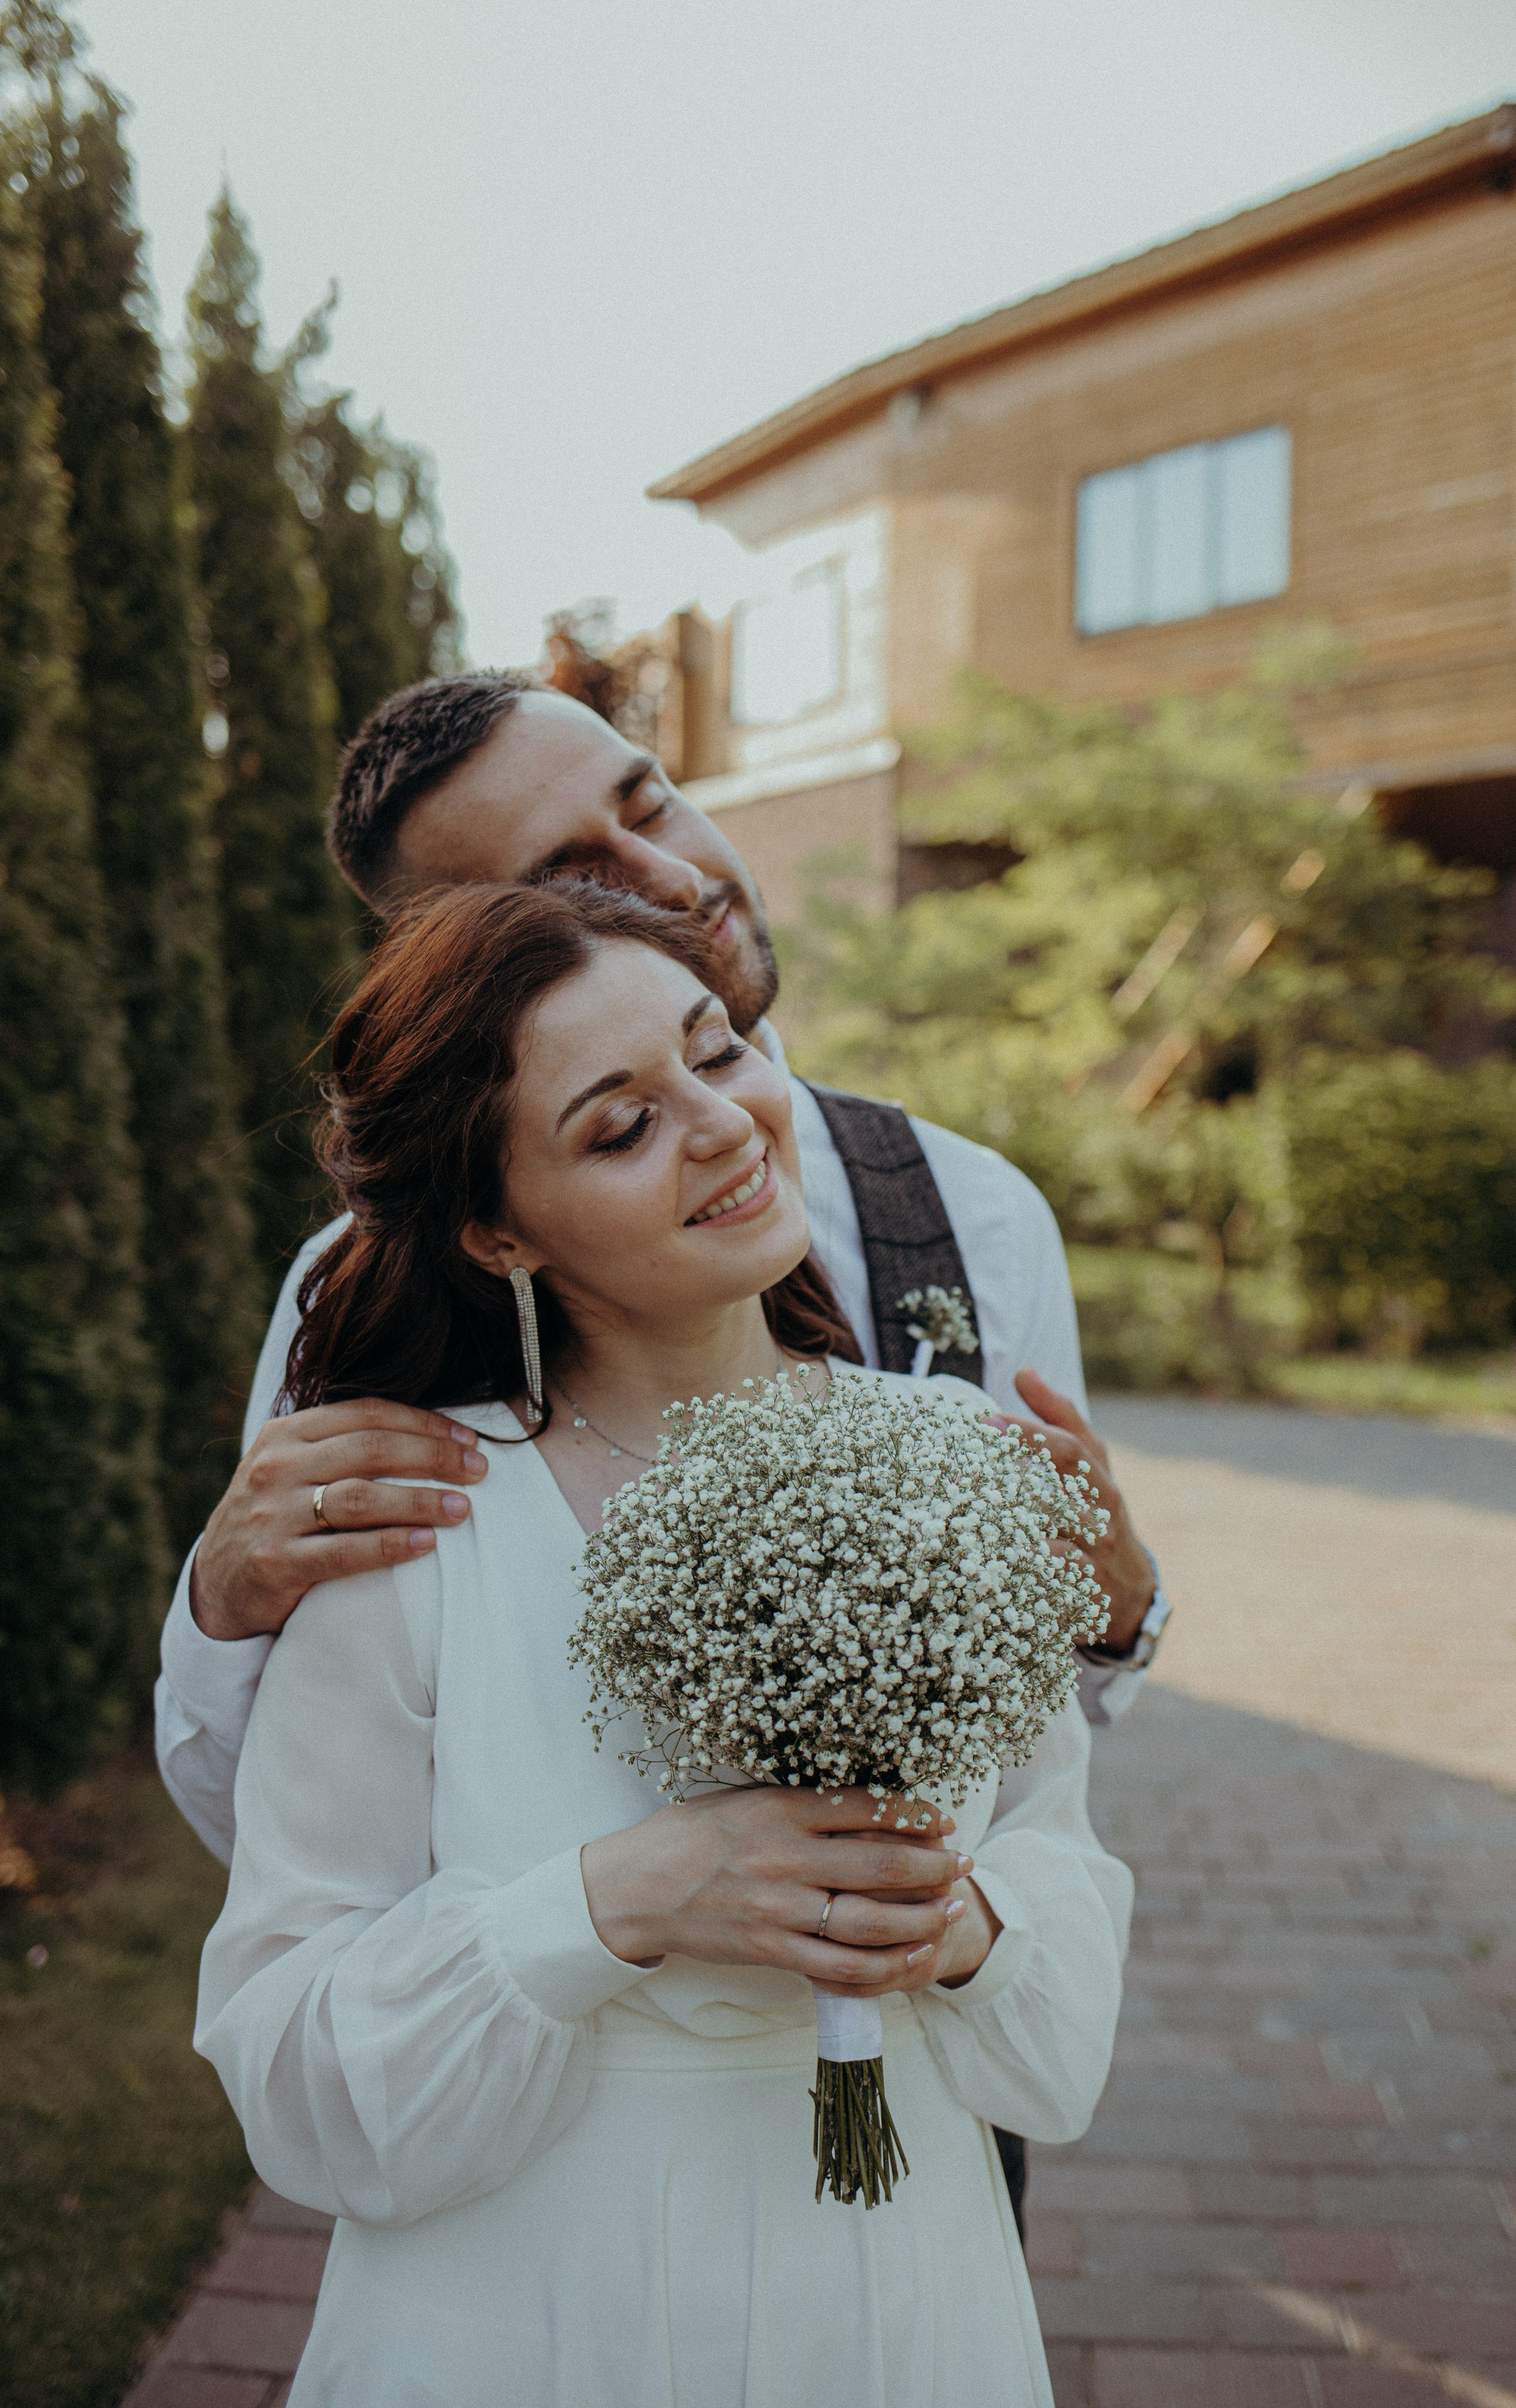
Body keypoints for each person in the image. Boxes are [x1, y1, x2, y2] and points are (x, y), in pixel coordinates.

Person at [157, 671, 1170, 2231]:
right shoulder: (368, 1331)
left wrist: (1114, 1611)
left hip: (922, 2121)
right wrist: (222, 1612)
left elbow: (1036, 1745)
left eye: (644, 802)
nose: (667, 877)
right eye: (569, 874)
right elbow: (306, 1830)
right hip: (540, 2180)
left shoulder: (972, 1211)